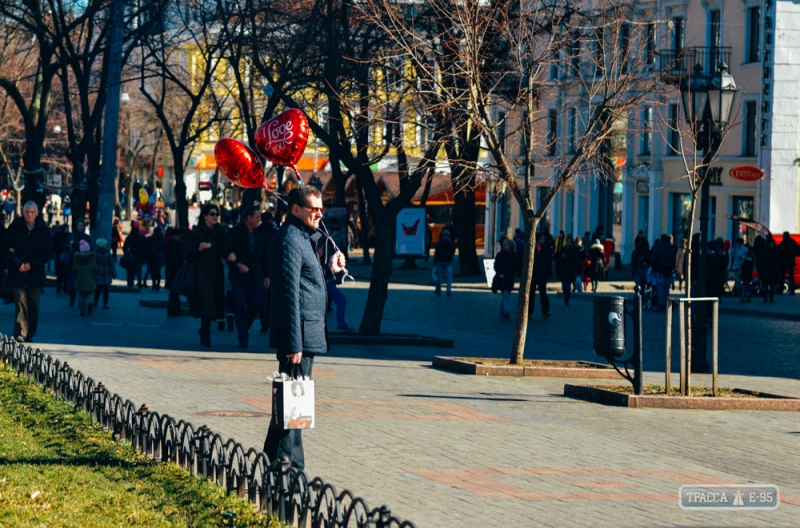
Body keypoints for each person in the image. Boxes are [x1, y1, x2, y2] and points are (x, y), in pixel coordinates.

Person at [264, 185, 346, 471]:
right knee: (292, 407)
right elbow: (287, 293)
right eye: (314, 208)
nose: (319, 213)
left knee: (291, 405)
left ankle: (275, 462)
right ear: (296, 209)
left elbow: (305, 281)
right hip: (297, 337)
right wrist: (293, 342)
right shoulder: (289, 239)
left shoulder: (302, 238)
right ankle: (288, 469)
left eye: (320, 208)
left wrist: (330, 270)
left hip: (304, 333)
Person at [221, 206, 269, 348]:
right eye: (257, 217)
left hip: (255, 276)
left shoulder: (260, 233)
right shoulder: (235, 232)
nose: (259, 220)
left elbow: (264, 255)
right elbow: (225, 250)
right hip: (239, 276)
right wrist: (236, 263)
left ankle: (244, 327)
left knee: (255, 304)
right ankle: (243, 337)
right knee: (240, 306)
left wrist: (267, 275)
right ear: (248, 218)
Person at [6, 202, 51, 342]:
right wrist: (17, 263)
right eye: (27, 212)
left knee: (33, 305)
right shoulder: (15, 227)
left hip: (34, 274)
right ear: (23, 212)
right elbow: (5, 248)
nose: (29, 215)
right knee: (20, 303)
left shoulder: (43, 230)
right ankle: (20, 333)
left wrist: (31, 264)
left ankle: (29, 333)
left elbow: (47, 252)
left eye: (32, 212)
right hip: (17, 272)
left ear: (37, 213)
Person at [185, 203, 226, 347]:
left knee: (213, 302)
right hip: (201, 271)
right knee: (206, 302)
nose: (215, 217)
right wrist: (199, 248)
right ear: (205, 216)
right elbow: (188, 253)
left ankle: (203, 330)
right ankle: (206, 334)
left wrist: (231, 255)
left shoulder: (220, 231)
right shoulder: (197, 232)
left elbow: (225, 249)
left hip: (216, 271)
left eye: (217, 214)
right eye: (212, 214)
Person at [257, 211, 278, 333]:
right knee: (272, 299)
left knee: (262, 298)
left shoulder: (258, 231)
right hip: (273, 268)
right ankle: (271, 322)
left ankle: (264, 323)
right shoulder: (275, 232)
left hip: (261, 269)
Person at [67, 220, 91, 308]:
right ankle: (71, 300)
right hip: (73, 263)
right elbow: (64, 247)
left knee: (81, 283)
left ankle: (80, 302)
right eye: (79, 225)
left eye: (82, 226)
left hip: (83, 263)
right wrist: (70, 244)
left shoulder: (86, 237)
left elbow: (90, 248)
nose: (81, 227)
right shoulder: (72, 236)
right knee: (72, 283)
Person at [529, 233, 552, 319]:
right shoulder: (531, 249)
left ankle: (545, 311)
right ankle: (529, 312)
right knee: (531, 294)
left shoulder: (546, 249)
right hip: (532, 275)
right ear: (538, 239)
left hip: (542, 275)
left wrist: (549, 275)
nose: (544, 240)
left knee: (543, 294)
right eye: (542, 238)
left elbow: (548, 263)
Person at [72, 239, 97, 316]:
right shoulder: (91, 258)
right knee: (89, 294)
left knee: (82, 295)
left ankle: (82, 311)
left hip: (80, 279)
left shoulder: (77, 258)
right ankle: (90, 304)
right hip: (90, 279)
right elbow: (95, 268)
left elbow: (74, 268)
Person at [557, 236, 583, 307]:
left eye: (569, 241)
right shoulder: (563, 249)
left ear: (572, 242)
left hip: (570, 270)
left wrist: (578, 271)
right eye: (567, 241)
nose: (568, 243)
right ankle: (565, 296)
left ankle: (567, 299)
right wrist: (561, 257)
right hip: (563, 270)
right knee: (564, 286)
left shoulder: (574, 250)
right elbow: (558, 259)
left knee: (568, 285)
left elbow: (577, 261)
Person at [164, 227, 184, 317]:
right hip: (175, 271)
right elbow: (176, 260)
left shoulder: (170, 243)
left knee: (174, 292)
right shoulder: (175, 244)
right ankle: (174, 310)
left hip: (171, 272)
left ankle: (175, 309)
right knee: (174, 292)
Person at [494, 239, 516, 318]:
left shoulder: (514, 255)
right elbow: (496, 265)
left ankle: (502, 310)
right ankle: (507, 310)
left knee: (506, 294)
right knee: (505, 294)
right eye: (502, 245)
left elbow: (516, 266)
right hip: (502, 277)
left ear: (509, 245)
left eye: (504, 244)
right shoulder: (500, 255)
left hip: (510, 277)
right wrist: (499, 273)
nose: (503, 246)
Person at [93, 238, 115, 309]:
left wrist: (113, 273)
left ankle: (105, 303)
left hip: (107, 274)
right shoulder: (96, 253)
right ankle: (95, 301)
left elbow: (111, 263)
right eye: (105, 245)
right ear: (101, 245)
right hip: (99, 274)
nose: (106, 246)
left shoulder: (107, 253)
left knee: (106, 291)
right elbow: (93, 264)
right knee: (98, 290)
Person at [433, 229, 456, 297]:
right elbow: (453, 251)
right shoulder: (451, 242)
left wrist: (434, 262)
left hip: (440, 261)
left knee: (439, 276)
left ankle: (438, 290)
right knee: (449, 277)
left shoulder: (440, 242)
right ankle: (448, 290)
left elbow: (437, 253)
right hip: (449, 261)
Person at [758, 235, 780, 303]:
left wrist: (777, 268)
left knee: (772, 286)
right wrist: (762, 269)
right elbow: (761, 261)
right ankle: (765, 298)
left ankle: (771, 298)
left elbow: (777, 261)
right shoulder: (764, 252)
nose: (772, 245)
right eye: (771, 243)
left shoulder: (775, 252)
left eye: (773, 243)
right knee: (765, 285)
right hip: (766, 271)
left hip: (773, 271)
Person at [146, 227, 166, 291]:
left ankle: (154, 284)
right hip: (160, 255)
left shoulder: (151, 238)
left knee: (152, 271)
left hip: (152, 255)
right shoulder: (163, 239)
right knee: (158, 271)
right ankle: (158, 285)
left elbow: (147, 247)